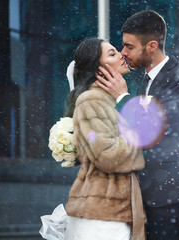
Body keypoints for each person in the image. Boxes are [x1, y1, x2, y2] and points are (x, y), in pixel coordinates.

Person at [95, 10, 179, 240]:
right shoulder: (145, 79)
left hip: (168, 196)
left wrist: (122, 98)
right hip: (143, 191)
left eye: (129, 46)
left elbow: (157, 132)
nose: (123, 52)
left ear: (152, 46)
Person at [63, 37, 146, 240]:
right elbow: (108, 155)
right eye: (112, 53)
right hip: (101, 217)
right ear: (98, 69)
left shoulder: (110, 98)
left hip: (114, 211)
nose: (122, 54)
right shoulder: (90, 100)